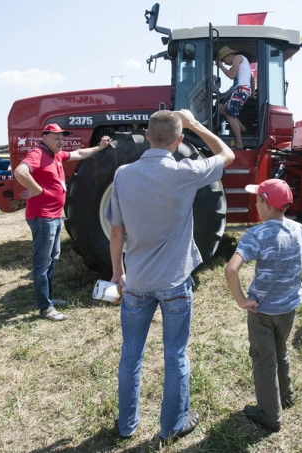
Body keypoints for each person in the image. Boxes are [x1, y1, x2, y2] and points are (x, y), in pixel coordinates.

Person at [106, 109, 235, 441]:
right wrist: (195, 125)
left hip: (135, 282)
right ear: (179, 141)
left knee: (130, 354)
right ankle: (172, 425)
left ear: (147, 135)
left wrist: (118, 273)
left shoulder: (122, 174)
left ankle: (127, 425)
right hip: (175, 282)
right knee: (175, 354)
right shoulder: (186, 171)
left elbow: (117, 234)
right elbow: (227, 154)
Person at [225, 179, 302, 432]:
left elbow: (231, 269)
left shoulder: (257, 234)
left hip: (262, 311)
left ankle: (270, 416)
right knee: (281, 350)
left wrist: (242, 300)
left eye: (257, 200)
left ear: (266, 204)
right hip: (288, 308)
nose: (255, 203)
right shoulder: (299, 230)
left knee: (264, 360)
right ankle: (285, 397)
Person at [14, 124, 113, 322]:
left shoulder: (56, 155)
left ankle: (48, 299)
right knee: (42, 263)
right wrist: (38, 190)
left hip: (54, 216)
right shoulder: (38, 153)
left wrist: (100, 147)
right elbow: (20, 172)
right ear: (45, 137)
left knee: (52, 259)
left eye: (62, 138)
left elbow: (79, 153)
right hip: (42, 217)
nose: (61, 141)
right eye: (57, 138)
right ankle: (45, 307)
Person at [217, 46, 252, 149]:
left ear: (228, 56)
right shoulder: (242, 61)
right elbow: (252, 78)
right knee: (221, 108)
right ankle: (242, 128)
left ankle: (239, 143)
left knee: (230, 115)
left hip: (242, 89)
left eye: (224, 61)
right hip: (240, 89)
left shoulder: (238, 58)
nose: (226, 64)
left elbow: (231, 75)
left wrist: (220, 67)